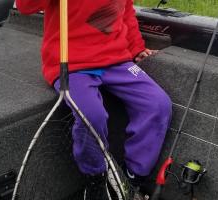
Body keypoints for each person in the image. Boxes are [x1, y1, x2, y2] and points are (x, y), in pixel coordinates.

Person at [16, 0, 172, 199]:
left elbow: (125, 11)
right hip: (70, 64)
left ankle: (132, 178)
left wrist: (136, 49)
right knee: (91, 116)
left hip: (117, 61)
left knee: (158, 104)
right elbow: (25, 7)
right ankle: (95, 179)